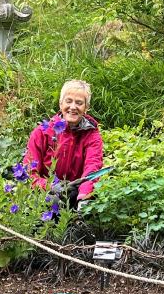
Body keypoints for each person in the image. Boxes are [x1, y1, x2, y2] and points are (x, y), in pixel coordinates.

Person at [24, 79, 104, 210]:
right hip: (44, 196)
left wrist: (84, 197)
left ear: (86, 108)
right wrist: (50, 186)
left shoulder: (92, 136)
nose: (73, 107)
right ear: (60, 104)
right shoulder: (42, 132)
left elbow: (93, 167)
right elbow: (29, 173)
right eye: (68, 101)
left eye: (79, 103)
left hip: (74, 196)